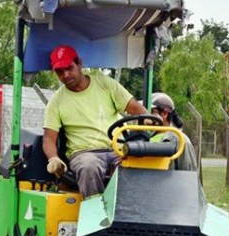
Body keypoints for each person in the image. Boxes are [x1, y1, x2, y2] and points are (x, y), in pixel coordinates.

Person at [43, 45, 150, 198]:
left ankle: (132, 215)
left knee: (138, 163)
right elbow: (48, 138)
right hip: (84, 154)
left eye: (69, 68)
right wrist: (53, 158)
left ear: (79, 63)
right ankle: (96, 216)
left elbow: (136, 109)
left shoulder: (106, 84)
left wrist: (147, 117)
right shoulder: (56, 102)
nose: (66, 75)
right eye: (60, 71)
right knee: (89, 167)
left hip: (117, 149)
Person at [150, 92, 198, 171]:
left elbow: (189, 176)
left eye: (151, 112)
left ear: (164, 113)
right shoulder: (145, 138)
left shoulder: (182, 142)